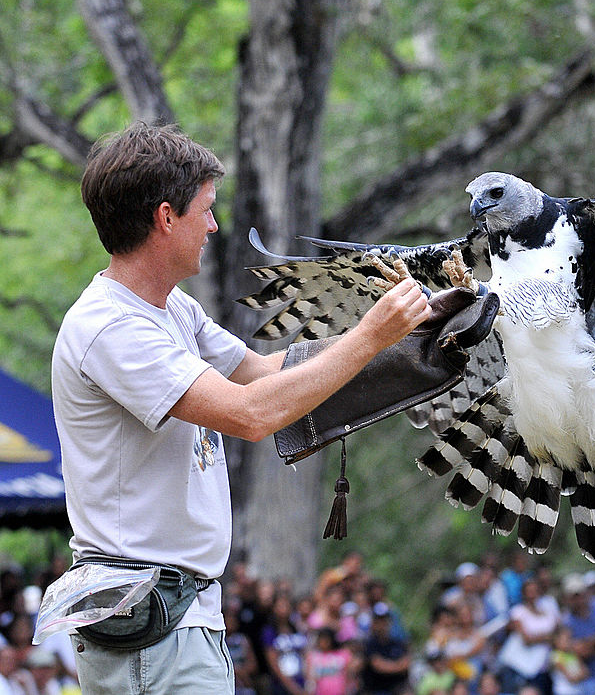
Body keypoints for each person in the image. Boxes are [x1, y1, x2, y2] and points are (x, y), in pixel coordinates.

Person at [50, 122, 432, 693]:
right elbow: (250, 414)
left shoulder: (170, 308)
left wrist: (404, 342)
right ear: (164, 217)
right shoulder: (112, 328)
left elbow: (263, 371)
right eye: (205, 209)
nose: (214, 224)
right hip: (149, 624)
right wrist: (372, 338)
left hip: (185, 614)